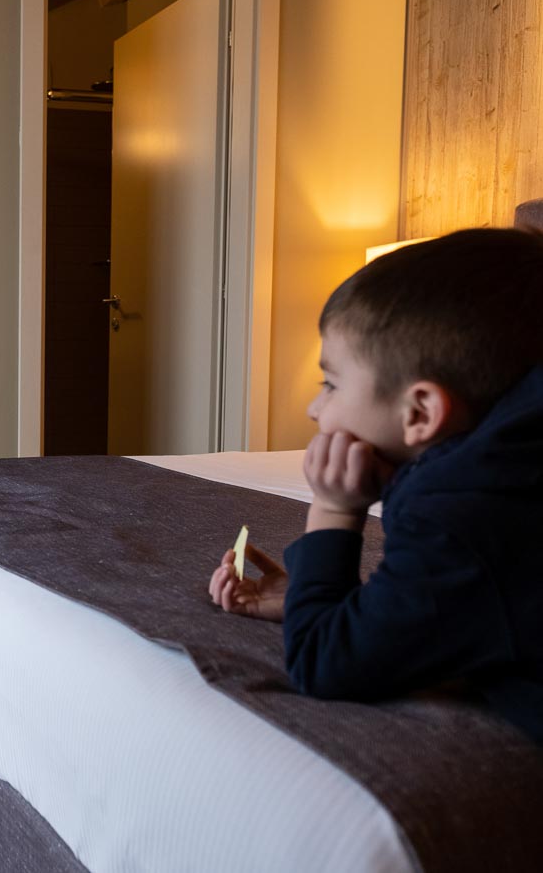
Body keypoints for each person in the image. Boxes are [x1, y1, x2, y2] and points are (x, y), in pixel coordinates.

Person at [207, 228, 543, 742]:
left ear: (421, 411)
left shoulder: (466, 511)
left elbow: (324, 661)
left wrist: (333, 507)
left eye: (332, 384)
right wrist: (313, 596)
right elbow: (453, 608)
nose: (314, 409)